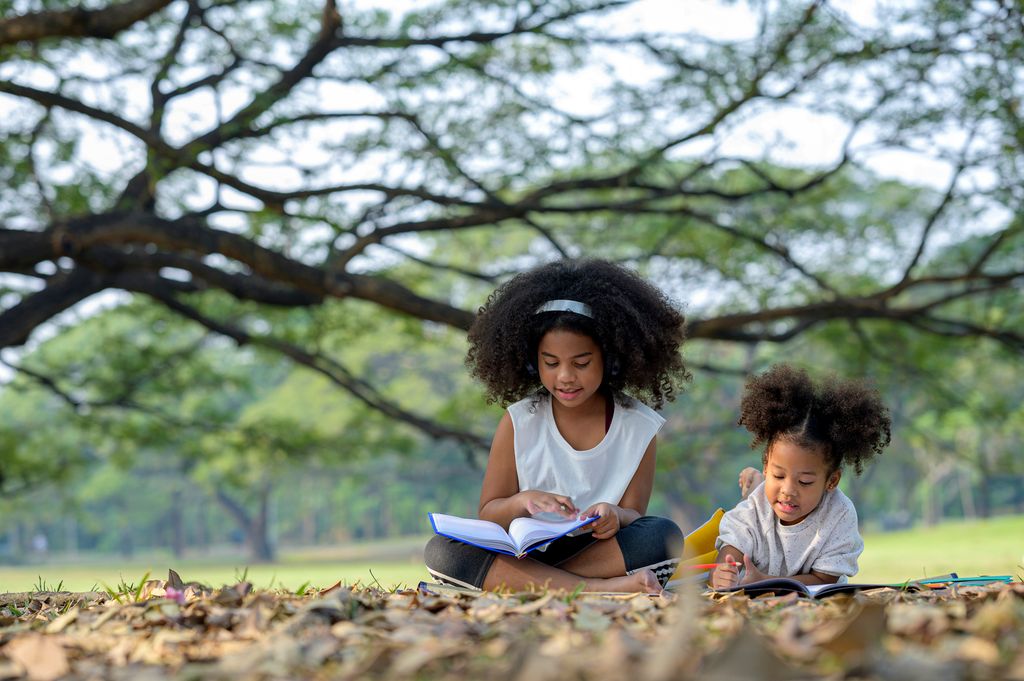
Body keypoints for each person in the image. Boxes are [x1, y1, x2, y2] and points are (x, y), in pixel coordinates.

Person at [424, 259, 690, 593]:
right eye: (550, 363)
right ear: (532, 361)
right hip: (522, 554)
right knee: (442, 550)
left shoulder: (638, 426)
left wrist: (615, 515)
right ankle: (595, 589)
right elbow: (489, 515)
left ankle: (532, 585)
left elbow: (635, 516)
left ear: (610, 358)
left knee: (662, 535)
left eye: (581, 363)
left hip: (595, 553)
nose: (564, 376)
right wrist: (525, 501)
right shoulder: (519, 420)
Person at [711, 364, 892, 589]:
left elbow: (824, 578)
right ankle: (755, 486)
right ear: (766, 464)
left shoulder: (839, 515)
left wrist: (766, 582)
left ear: (831, 481)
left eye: (804, 481)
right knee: (752, 501)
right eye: (778, 476)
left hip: (812, 601)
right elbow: (731, 549)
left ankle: (759, 483)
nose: (788, 490)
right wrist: (722, 572)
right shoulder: (755, 510)